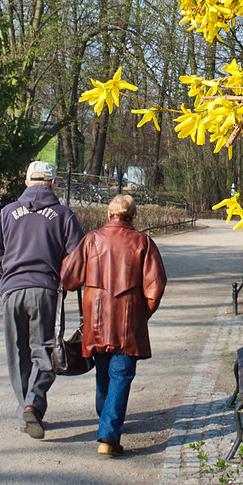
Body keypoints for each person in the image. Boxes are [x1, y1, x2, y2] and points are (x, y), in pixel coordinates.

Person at [61, 194, 167, 457]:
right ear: (133, 216)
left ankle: (106, 420)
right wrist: (143, 314)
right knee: (121, 374)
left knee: (104, 371)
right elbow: (156, 285)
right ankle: (108, 433)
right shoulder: (143, 242)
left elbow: (69, 279)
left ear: (109, 215)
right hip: (128, 321)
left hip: (96, 321)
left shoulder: (91, 240)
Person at [0, 160, 84, 439]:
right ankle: (34, 402)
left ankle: (24, 411)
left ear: (27, 182)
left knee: (18, 353)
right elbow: (77, 256)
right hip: (45, 290)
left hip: (12, 290)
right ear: (53, 184)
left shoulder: (7, 213)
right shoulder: (64, 215)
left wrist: (11, 273)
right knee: (45, 350)